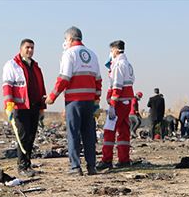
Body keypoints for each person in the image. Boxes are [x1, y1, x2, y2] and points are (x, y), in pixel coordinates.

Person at [45, 26, 102, 175]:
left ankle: (75, 167)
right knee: (89, 134)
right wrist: (96, 101)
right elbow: (98, 80)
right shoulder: (92, 55)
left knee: (73, 133)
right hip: (89, 101)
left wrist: (52, 97)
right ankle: (92, 166)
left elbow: (64, 78)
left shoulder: (69, 54)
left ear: (70, 39)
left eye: (65, 39)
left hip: (74, 101)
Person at [2, 38, 47, 176]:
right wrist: (9, 105)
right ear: (21, 48)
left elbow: (41, 88)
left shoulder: (35, 67)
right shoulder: (12, 65)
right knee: (23, 137)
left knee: (31, 136)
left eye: (32, 48)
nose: (30, 50)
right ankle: (22, 166)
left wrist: (41, 107)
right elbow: (7, 86)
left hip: (33, 107)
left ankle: (28, 164)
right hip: (19, 108)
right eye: (27, 47)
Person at [98, 40, 135, 170]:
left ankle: (106, 159)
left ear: (115, 50)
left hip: (119, 103)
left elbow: (117, 87)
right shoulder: (128, 64)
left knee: (109, 131)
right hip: (127, 102)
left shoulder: (118, 65)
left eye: (111, 51)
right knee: (124, 131)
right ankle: (124, 159)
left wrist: (112, 104)